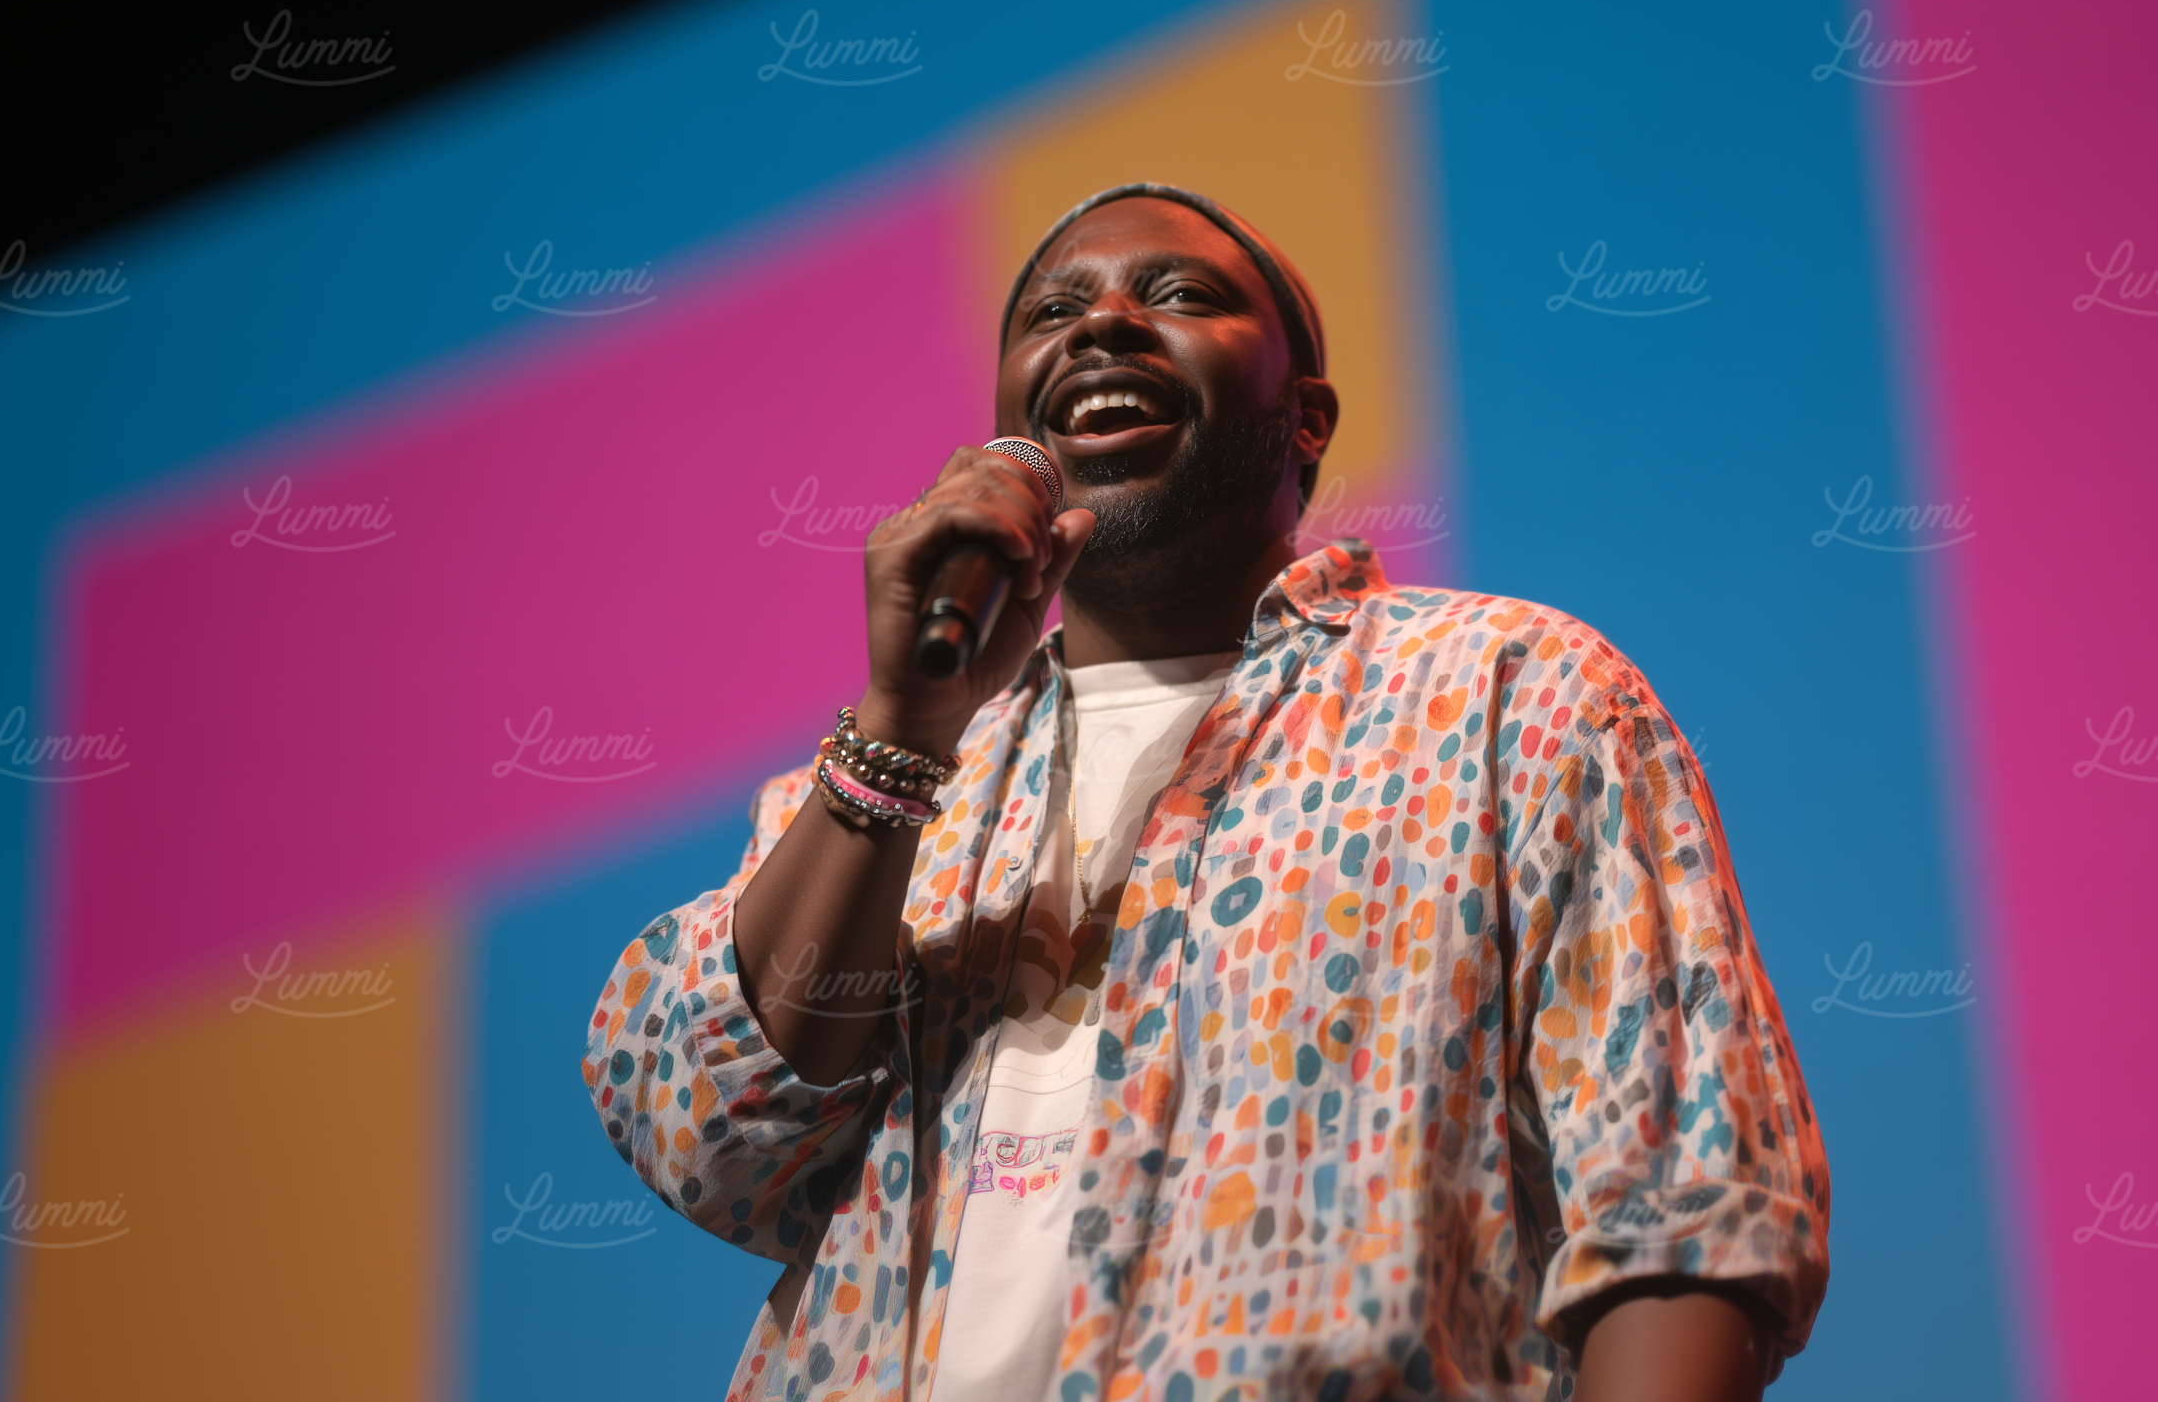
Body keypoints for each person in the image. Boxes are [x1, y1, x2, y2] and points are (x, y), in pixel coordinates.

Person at [585, 184, 1828, 1401]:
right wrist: (905, 728)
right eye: (1052, 312)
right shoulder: (883, 783)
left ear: (1305, 421)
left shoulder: (1512, 693)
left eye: (1178, 294)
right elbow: (713, 1139)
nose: (1102, 323)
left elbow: (1682, 1200)